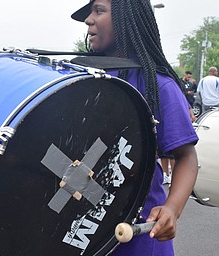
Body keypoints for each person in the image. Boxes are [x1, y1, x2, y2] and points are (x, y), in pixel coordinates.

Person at [71, 1, 198, 255]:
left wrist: (172, 208)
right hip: (82, 235)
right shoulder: (79, 78)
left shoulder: (157, 86)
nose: (88, 20)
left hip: (137, 238)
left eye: (99, 11)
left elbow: (186, 157)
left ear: (125, 17)